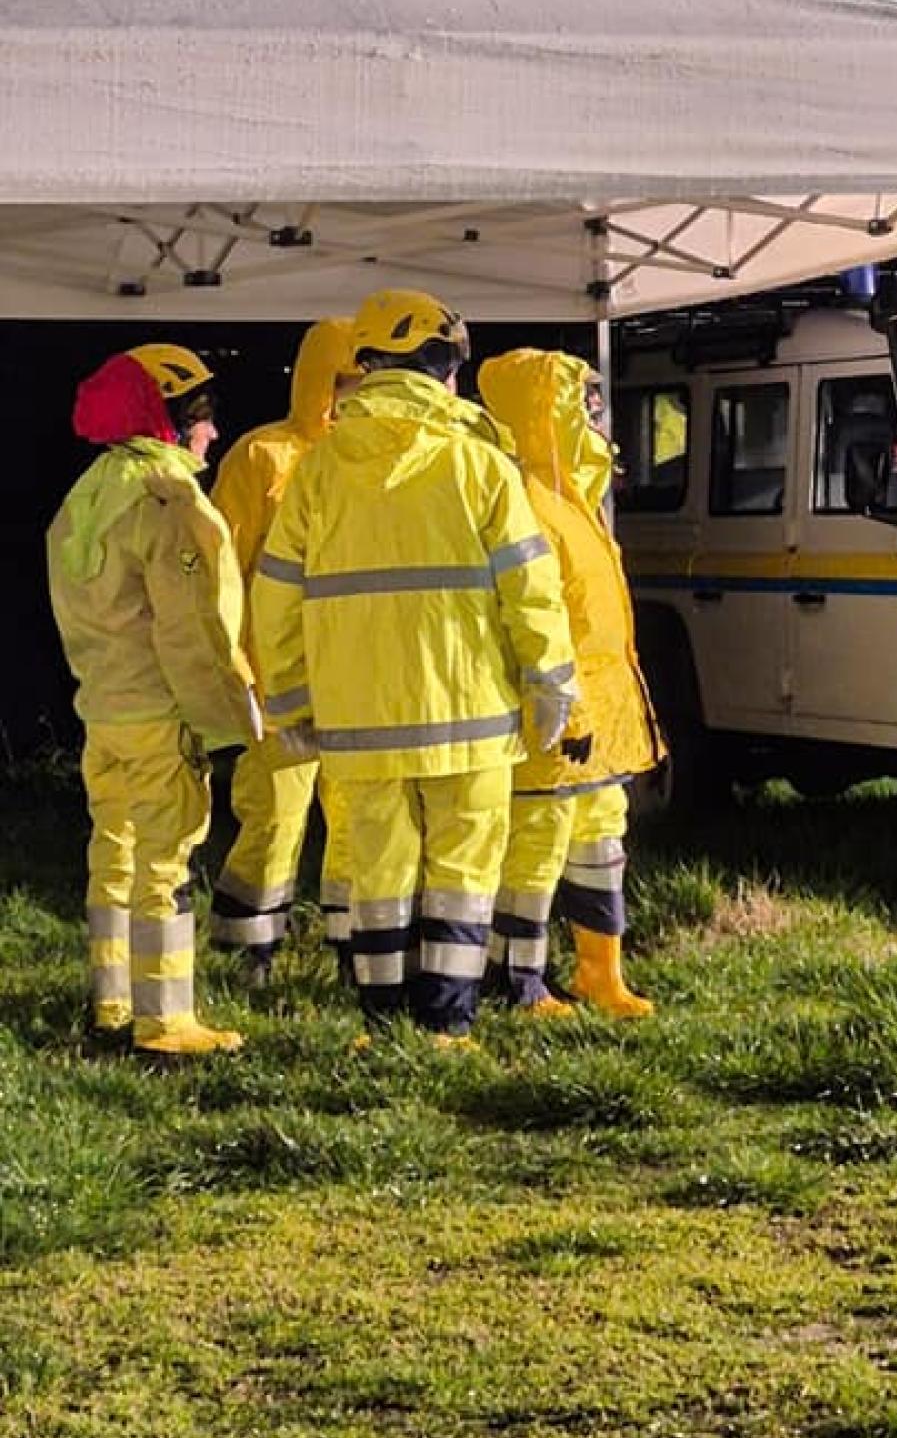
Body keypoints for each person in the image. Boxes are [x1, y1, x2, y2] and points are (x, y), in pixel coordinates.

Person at [250, 291, 577, 1044]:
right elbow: (532, 589)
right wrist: (551, 681)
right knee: (464, 870)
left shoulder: (318, 468)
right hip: (472, 717)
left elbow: (277, 596)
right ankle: (445, 1026)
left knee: (379, 871)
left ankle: (381, 1021)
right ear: (443, 368)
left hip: (358, 720)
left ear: (368, 366)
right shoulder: (480, 463)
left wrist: (292, 702)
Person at [46, 342, 261, 1057]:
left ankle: (111, 1003)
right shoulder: (168, 501)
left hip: (102, 713)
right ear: (170, 419)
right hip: (160, 716)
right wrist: (226, 716)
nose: (213, 432)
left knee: (113, 855)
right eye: (203, 416)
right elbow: (193, 628)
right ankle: (165, 1022)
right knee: (164, 867)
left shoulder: (85, 495)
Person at [478, 349, 665, 1017]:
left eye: (595, 403)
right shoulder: (529, 502)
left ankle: (599, 973)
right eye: (581, 404)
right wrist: (569, 708)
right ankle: (516, 981)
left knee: (600, 841)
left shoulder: (576, 500)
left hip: (601, 719)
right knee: (536, 844)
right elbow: (538, 619)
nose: (596, 416)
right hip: (555, 717)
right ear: (543, 412)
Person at [208, 320, 359, 980]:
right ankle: (249, 950)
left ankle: (358, 950)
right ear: (321, 381)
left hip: (357, 676)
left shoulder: (373, 461)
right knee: (273, 814)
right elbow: (219, 567)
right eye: (347, 382)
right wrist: (233, 661)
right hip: (278, 677)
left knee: (359, 820)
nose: (355, 395)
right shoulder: (261, 456)